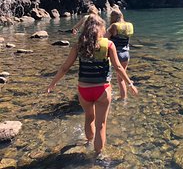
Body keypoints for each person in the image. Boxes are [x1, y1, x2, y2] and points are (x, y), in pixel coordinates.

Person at [47, 14, 138, 156]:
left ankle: (89, 142)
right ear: (101, 28)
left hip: (84, 90)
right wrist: (130, 84)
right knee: (101, 125)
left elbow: (65, 68)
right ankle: (98, 155)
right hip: (102, 90)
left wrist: (53, 83)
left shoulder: (79, 46)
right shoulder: (108, 45)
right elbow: (118, 67)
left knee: (89, 118)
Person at [104, 6, 134, 100]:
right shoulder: (129, 25)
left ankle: (109, 95)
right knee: (121, 77)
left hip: (116, 54)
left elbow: (104, 38)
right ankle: (123, 97)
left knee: (107, 75)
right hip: (126, 54)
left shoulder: (114, 26)